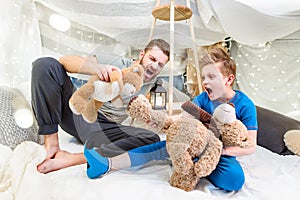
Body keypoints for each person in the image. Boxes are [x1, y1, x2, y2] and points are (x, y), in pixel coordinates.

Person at [83, 47, 258, 191]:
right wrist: (161, 121)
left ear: (229, 79)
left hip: (218, 153)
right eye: (204, 77)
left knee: (234, 180)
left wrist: (218, 152)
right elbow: (183, 118)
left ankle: (191, 165)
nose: (205, 82)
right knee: (162, 146)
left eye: (211, 77)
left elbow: (250, 145)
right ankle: (106, 164)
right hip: (191, 144)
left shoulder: (245, 105)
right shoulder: (203, 98)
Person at [31, 39, 170, 174]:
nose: (155, 66)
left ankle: (73, 158)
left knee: (152, 139)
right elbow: (63, 61)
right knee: (46, 64)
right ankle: (52, 144)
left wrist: (153, 118)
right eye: (152, 59)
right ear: (141, 55)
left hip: (106, 129)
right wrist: (97, 68)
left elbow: (160, 114)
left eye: (160, 64)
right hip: (83, 115)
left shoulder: (157, 85)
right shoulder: (119, 64)